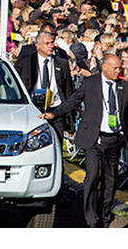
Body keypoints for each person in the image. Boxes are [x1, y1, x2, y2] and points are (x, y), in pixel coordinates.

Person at [40, 55, 128, 228]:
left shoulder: (123, 87)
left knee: (110, 181)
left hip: (114, 139)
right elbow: (72, 101)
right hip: (94, 139)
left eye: (120, 68)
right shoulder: (91, 83)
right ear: (104, 67)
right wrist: (54, 114)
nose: (119, 71)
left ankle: (104, 214)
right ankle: (91, 218)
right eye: (115, 68)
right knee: (92, 176)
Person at [14, 31, 74, 144]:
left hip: (56, 109)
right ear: (37, 46)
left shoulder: (62, 63)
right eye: (47, 43)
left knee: (56, 143)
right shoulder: (27, 62)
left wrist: (70, 120)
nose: (51, 46)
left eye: (52, 43)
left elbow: (68, 90)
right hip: (34, 109)